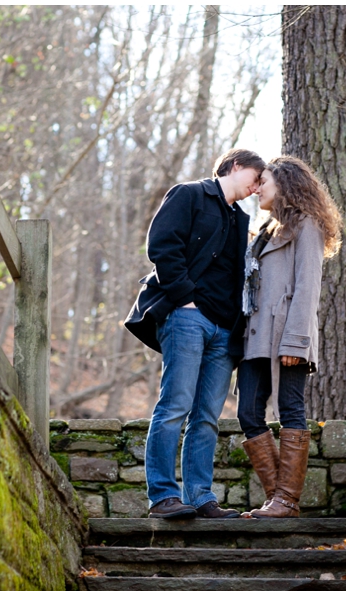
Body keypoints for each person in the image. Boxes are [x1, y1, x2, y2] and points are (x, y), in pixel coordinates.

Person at [125, 149, 265, 519]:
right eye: (254, 176)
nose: (256, 186)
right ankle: (163, 497)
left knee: (206, 417)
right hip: (187, 318)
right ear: (235, 166)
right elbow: (161, 245)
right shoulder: (188, 194)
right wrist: (185, 299)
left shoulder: (240, 219)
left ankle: (201, 497)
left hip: (225, 331)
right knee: (175, 405)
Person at [237, 156, 343, 519]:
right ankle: (276, 499)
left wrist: (296, 341)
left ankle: (285, 502)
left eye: (263, 181)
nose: (258, 188)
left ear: (283, 183)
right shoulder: (266, 230)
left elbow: (307, 287)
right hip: (255, 337)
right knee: (248, 411)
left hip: (287, 335)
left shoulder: (307, 226)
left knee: (290, 408)